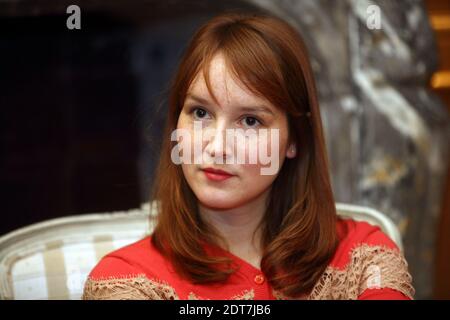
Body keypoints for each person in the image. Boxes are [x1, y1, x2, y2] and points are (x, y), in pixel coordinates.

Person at [82, 12, 414, 300]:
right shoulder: (126, 280)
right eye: (200, 113)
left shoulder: (362, 256)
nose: (217, 146)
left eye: (251, 120)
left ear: (294, 140)